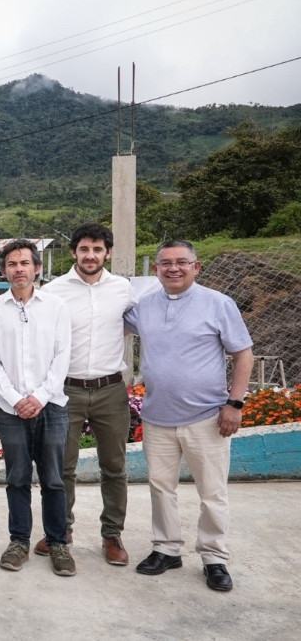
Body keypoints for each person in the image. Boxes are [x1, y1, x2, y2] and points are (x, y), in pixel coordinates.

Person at [124, 239, 252, 592]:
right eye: (165, 263)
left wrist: (235, 404)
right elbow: (106, 325)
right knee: (161, 488)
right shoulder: (144, 306)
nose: (173, 268)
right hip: (157, 417)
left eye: (182, 262)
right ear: (156, 270)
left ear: (197, 267)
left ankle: (214, 557)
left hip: (207, 417)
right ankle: (166, 549)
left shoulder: (218, 304)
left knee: (212, 492)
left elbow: (243, 354)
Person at [39, 224, 135, 566]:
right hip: (66, 390)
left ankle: (112, 535)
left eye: (97, 249)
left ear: (107, 252)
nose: (90, 255)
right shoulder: (54, 291)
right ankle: (60, 531)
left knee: (114, 466)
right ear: (73, 253)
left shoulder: (124, 289)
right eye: (84, 249)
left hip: (111, 389)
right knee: (61, 466)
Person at [0, 239, 75, 576]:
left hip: (51, 406)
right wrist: (17, 399)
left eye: (25, 263)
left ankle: (58, 543)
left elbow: (63, 356)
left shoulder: (56, 307)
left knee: (53, 479)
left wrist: (40, 397)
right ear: (3, 271)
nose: (19, 269)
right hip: (10, 409)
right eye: (12, 264)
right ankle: (19, 541)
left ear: (37, 268)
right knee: (17, 477)